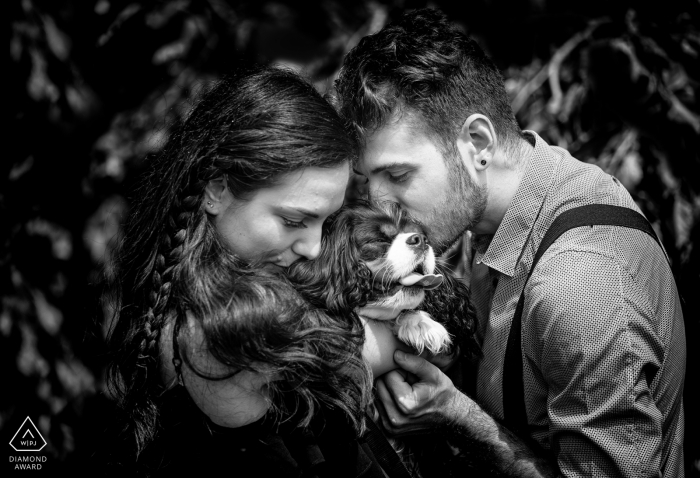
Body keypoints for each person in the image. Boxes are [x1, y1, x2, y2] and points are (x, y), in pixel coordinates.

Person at [334, 8, 686, 478]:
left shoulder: (579, 287)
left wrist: (460, 418)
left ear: (477, 142)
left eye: (397, 174)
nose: (381, 201)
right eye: (369, 179)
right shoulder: (509, 200)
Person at [101, 65, 394, 477]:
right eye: (294, 220)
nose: (313, 248)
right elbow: (375, 349)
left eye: (326, 223)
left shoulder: (200, 292)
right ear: (216, 191)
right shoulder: (214, 334)